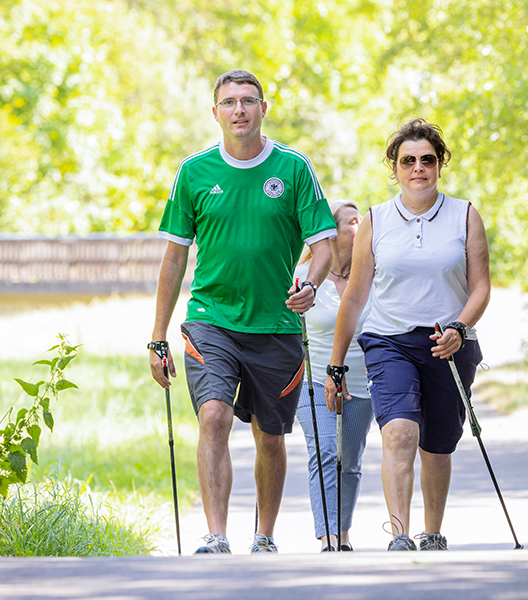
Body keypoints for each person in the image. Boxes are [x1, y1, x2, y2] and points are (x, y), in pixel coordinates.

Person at [149, 69, 336, 555]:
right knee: (214, 415)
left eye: (248, 101)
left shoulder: (294, 169)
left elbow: (325, 247)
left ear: (262, 109)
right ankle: (216, 535)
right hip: (212, 320)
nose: (239, 110)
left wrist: (311, 285)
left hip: (275, 326)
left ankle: (265, 536)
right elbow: (173, 258)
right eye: (229, 102)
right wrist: (157, 335)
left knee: (270, 437)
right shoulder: (194, 172)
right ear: (215, 112)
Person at [324, 118, 491, 551]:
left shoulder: (465, 214)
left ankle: (432, 531)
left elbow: (481, 288)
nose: (418, 168)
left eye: (427, 160)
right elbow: (356, 297)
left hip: (448, 342)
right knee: (399, 432)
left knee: (437, 445)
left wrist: (460, 326)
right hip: (389, 340)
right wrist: (336, 363)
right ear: (394, 168)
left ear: (440, 165)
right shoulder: (377, 219)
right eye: (408, 161)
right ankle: (399, 533)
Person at [294, 200, 374, 552]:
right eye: (353, 221)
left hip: (363, 382)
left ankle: (342, 533)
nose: (361, 225)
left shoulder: (375, 272)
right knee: (325, 449)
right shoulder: (305, 277)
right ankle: (327, 535)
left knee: (349, 458)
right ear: (331, 232)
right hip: (314, 382)